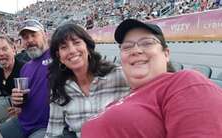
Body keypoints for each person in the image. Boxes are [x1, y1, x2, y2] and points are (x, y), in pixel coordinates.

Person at [81, 19, 222, 138]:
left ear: (166, 54)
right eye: (127, 47)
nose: (136, 50)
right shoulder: (125, 98)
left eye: (147, 43)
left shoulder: (186, 83)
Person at [45, 23, 129, 138]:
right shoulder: (59, 88)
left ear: (88, 48)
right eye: (64, 47)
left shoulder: (118, 75)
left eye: (77, 43)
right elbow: (53, 132)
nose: (72, 50)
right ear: (59, 57)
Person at [0, 19, 50, 138]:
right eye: (25, 37)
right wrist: (16, 102)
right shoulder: (26, 68)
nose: (29, 40)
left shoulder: (57, 56)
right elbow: (24, 98)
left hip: (46, 125)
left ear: (44, 34)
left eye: (33, 35)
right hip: (23, 121)